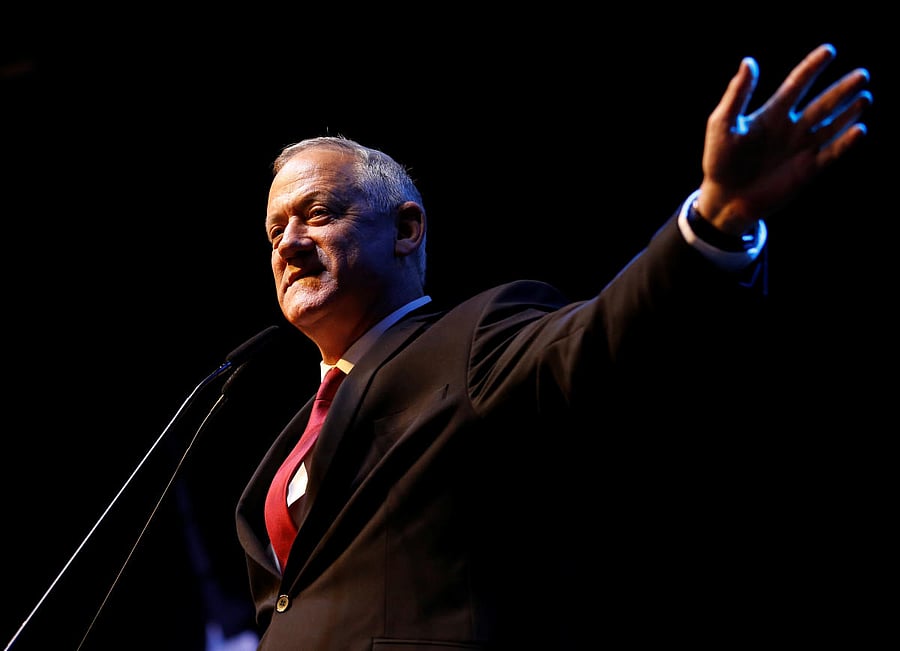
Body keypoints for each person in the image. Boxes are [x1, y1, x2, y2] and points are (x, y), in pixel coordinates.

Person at [233, 43, 872, 649]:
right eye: (273, 231)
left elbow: (608, 332)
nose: (288, 244)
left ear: (406, 229)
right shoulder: (288, 438)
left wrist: (716, 219)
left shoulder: (471, 341)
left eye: (317, 214)